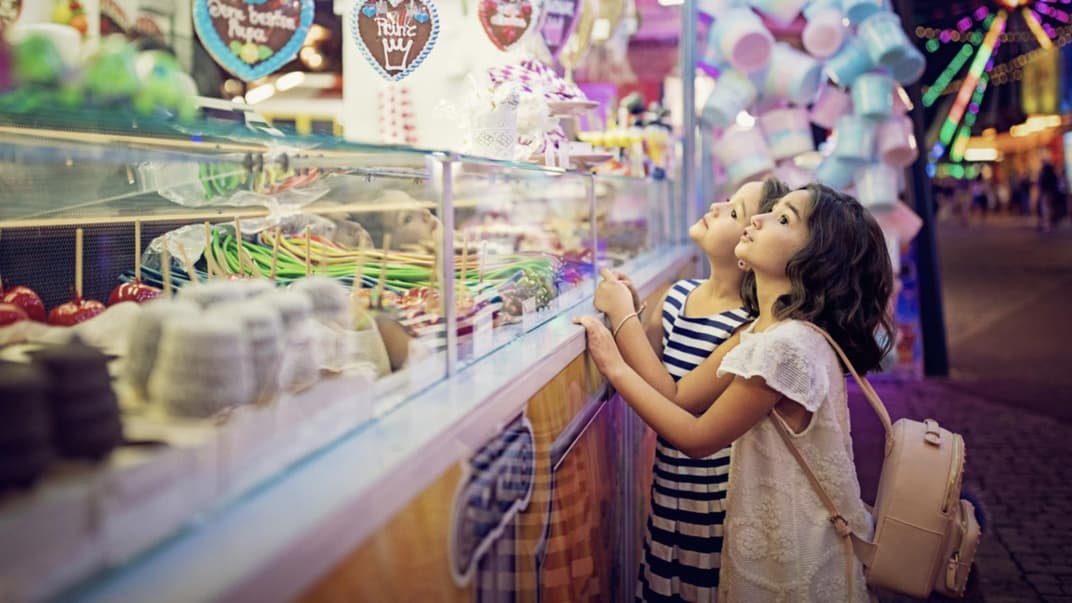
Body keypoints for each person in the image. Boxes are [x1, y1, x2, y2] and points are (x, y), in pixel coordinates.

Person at [575, 184, 895, 601]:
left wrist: (614, 364)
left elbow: (696, 437)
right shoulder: (778, 332)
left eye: (782, 220)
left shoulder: (783, 346)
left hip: (791, 556)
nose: (757, 219)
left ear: (815, 263)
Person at [603, 177, 788, 602]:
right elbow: (652, 366)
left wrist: (621, 320)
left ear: (748, 251)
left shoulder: (747, 326)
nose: (718, 206)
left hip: (712, 501)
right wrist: (632, 314)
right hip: (669, 486)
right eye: (728, 199)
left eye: (736, 211)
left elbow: (675, 399)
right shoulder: (678, 295)